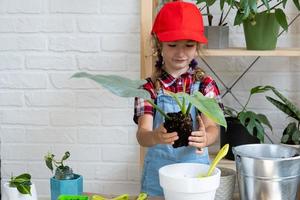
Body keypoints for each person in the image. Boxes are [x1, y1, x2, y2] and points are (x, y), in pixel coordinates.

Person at [133, 1, 223, 196]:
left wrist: (206, 137)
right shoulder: (148, 88)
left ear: (197, 46)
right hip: (157, 177)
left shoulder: (205, 85)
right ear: (159, 44)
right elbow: (142, 134)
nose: (181, 53)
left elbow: (213, 128)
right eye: (172, 45)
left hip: (194, 175)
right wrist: (155, 136)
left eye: (189, 45)